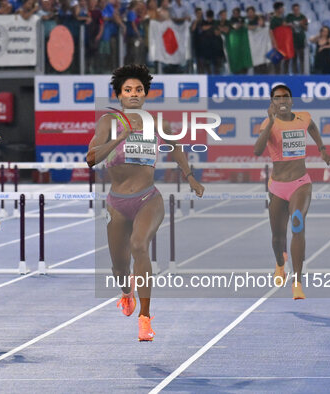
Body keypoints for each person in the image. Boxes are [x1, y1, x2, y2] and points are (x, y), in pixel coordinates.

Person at [86, 64, 204, 341]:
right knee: (118, 267)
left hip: (149, 198)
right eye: (128, 90)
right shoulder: (108, 123)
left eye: (139, 89)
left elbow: (175, 147)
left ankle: (145, 317)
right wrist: (119, 139)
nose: (134, 94)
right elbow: (91, 159)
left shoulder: (157, 123)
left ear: (145, 93)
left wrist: (190, 177)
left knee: (139, 245)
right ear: (119, 96)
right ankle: (127, 293)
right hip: (117, 202)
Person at [254, 85, 330, 299]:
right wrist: (270, 121)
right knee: (278, 237)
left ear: (291, 100)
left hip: (301, 182)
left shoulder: (304, 117)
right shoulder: (268, 124)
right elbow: (257, 150)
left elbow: (313, 128)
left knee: (297, 222)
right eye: (277, 98)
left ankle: (297, 281)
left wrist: (322, 148)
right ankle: (280, 264)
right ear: (272, 102)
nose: (282, 100)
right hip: (278, 186)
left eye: (285, 97)